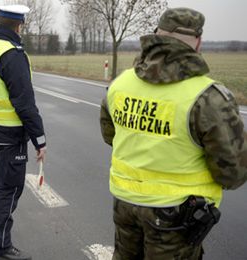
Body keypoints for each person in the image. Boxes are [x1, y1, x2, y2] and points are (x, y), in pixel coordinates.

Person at [99, 7, 247, 260]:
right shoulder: (208, 98)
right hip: (176, 215)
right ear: (198, 42)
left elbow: (110, 135)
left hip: (124, 204)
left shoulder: (120, 84)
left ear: (155, 35)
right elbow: (233, 174)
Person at [0, 4, 46, 260]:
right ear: (18, 25)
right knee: (8, 189)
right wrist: (40, 140)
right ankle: (0, 247)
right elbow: (25, 103)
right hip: (11, 134)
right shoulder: (12, 54)